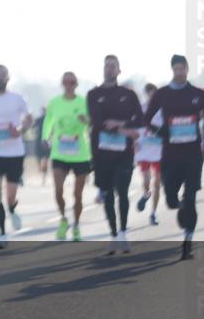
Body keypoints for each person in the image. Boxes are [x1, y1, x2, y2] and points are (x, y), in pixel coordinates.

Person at [143, 54, 204, 260]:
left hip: (193, 155)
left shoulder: (198, 94)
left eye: (182, 68)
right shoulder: (162, 94)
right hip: (170, 155)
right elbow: (146, 119)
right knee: (170, 199)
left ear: (187, 69)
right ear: (172, 70)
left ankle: (188, 243)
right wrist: (161, 132)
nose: (179, 72)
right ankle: (180, 207)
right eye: (176, 69)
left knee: (191, 198)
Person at [86, 55, 143, 255]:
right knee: (108, 194)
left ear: (119, 70)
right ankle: (113, 234)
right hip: (101, 153)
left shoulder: (129, 95)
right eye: (106, 66)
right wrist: (116, 125)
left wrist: (120, 125)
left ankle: (123, 233)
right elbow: (97, 120)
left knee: (123, 190)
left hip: (124, 153)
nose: (109, 69)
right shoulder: (93, 94)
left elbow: (140, 120)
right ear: (103, 69)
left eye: (113, 66)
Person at [0, 64, 31, 249]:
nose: (1, 77)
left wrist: (20, 130)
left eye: (4, 75)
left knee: (10, 194)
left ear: (8, 78)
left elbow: (29, 119)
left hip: (14, 153)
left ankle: (11, 207)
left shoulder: (17, 99)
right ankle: (2, 233)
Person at [42, 72, 92, 241]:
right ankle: (63, 220)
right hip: (59, 152)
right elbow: (48, 121)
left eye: (72, 82)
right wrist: (45, 137)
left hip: (80, 154)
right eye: (66, 82)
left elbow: (92, 122)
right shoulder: (55, 103)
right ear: (62, 84)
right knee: (58, 191)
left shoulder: (83, 102)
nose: (69, 85)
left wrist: (86, 120)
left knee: (77, 194)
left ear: (76, 84)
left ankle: (76, 225)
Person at [135, 83, 163, 225]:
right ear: (146, 94)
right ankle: (146, 195)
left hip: (159, 150)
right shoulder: (141, 109)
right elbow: (136, 127)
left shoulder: (164, 110)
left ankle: (153, 214)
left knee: (157, 184)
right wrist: (135, 142)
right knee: (146, 181)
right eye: (150, 94)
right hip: (144, 149)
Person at [33, 107, 49, 184]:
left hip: (47, 141)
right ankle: (41, 169)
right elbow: (33, 127)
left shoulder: (50, 119)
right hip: (38, 140)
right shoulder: (38, 120)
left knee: (45, 159)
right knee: (38, 157)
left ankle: (44, 176)